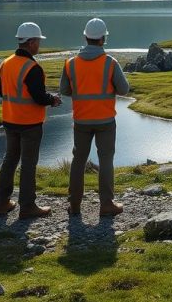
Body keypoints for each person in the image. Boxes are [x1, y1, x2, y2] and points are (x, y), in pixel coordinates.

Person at [60, 17, 130, 216]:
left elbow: (64, 90)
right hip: (105, 120)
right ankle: (106, 205)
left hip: (81, 120)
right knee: (106, 160)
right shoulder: (110, 63)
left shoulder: (70, 64)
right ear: (103, 39)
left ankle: (74, 205)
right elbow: (124, 90)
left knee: (78, 160)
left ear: (85, 37)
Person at [0, 21, 61, 219]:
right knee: (28, 164)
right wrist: (53, 100)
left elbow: (2, 93)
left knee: (10, 160)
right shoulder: (32, 67)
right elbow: (39, 97)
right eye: (38, 41)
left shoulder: (5, 64)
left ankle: (3, 203)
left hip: (10, 119)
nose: (39, 44)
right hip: (30, 123)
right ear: (31, 42)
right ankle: (27, 206)